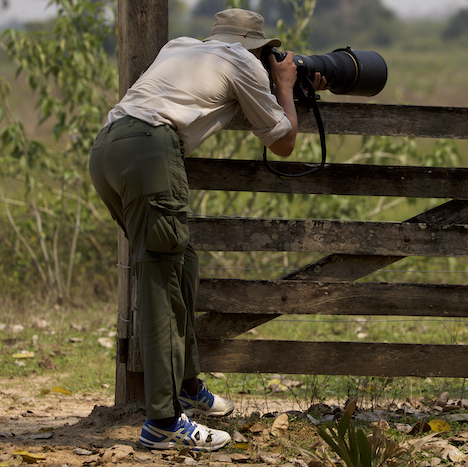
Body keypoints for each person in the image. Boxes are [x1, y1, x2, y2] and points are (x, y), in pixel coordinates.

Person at [89, 9, 327, 451]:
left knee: (180, 264)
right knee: (160, 280)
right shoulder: (241, 62)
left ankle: (186, 385)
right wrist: (286, 86)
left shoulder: (179, 45)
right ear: (255, 48)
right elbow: (285, 140)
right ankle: (162, 422)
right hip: (150, 149)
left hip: (106, 148)